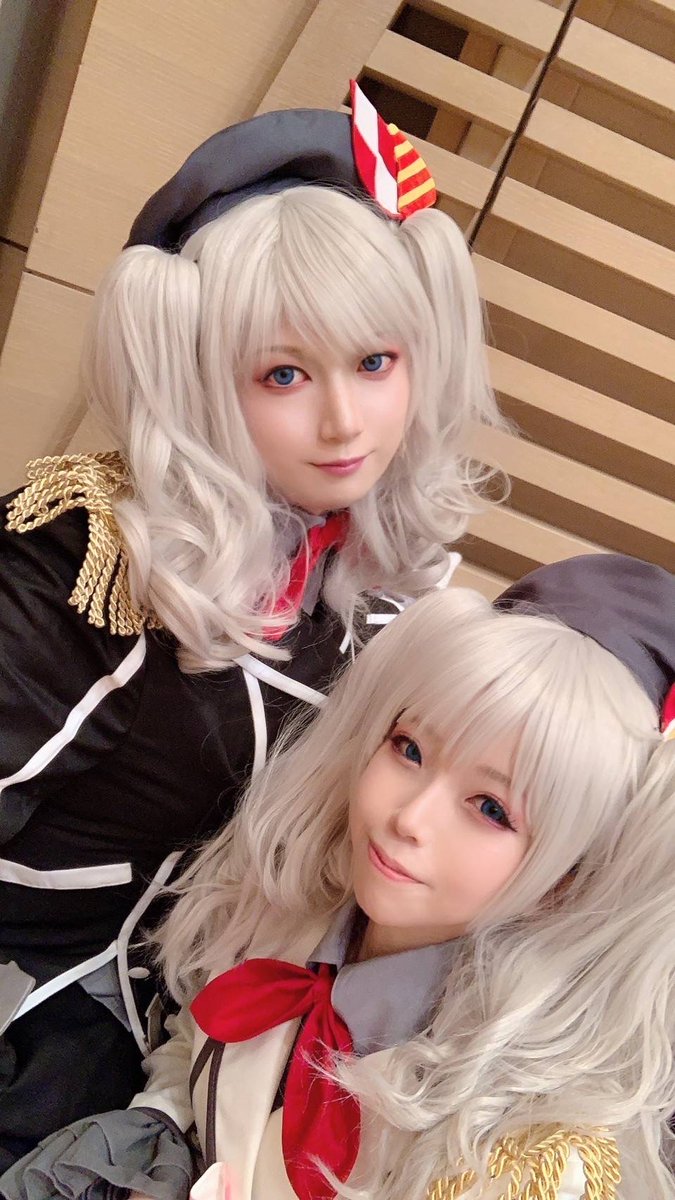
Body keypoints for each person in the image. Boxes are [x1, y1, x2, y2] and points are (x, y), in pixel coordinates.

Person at [0, 82, 504, 1164]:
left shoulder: (376, 576)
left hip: (207, 1020)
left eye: (375, 363)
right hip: (38, 1021)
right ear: (198, 379)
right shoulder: (85, 570)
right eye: (284, 374)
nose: (344, 421)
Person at [5, 553, 674, 1200]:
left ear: (570, 875)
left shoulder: (527, 1152)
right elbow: (196, 1050)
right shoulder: (290, 910)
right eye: (409, 749)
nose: (409, 817)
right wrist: (161, 1152)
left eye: (491, 809)